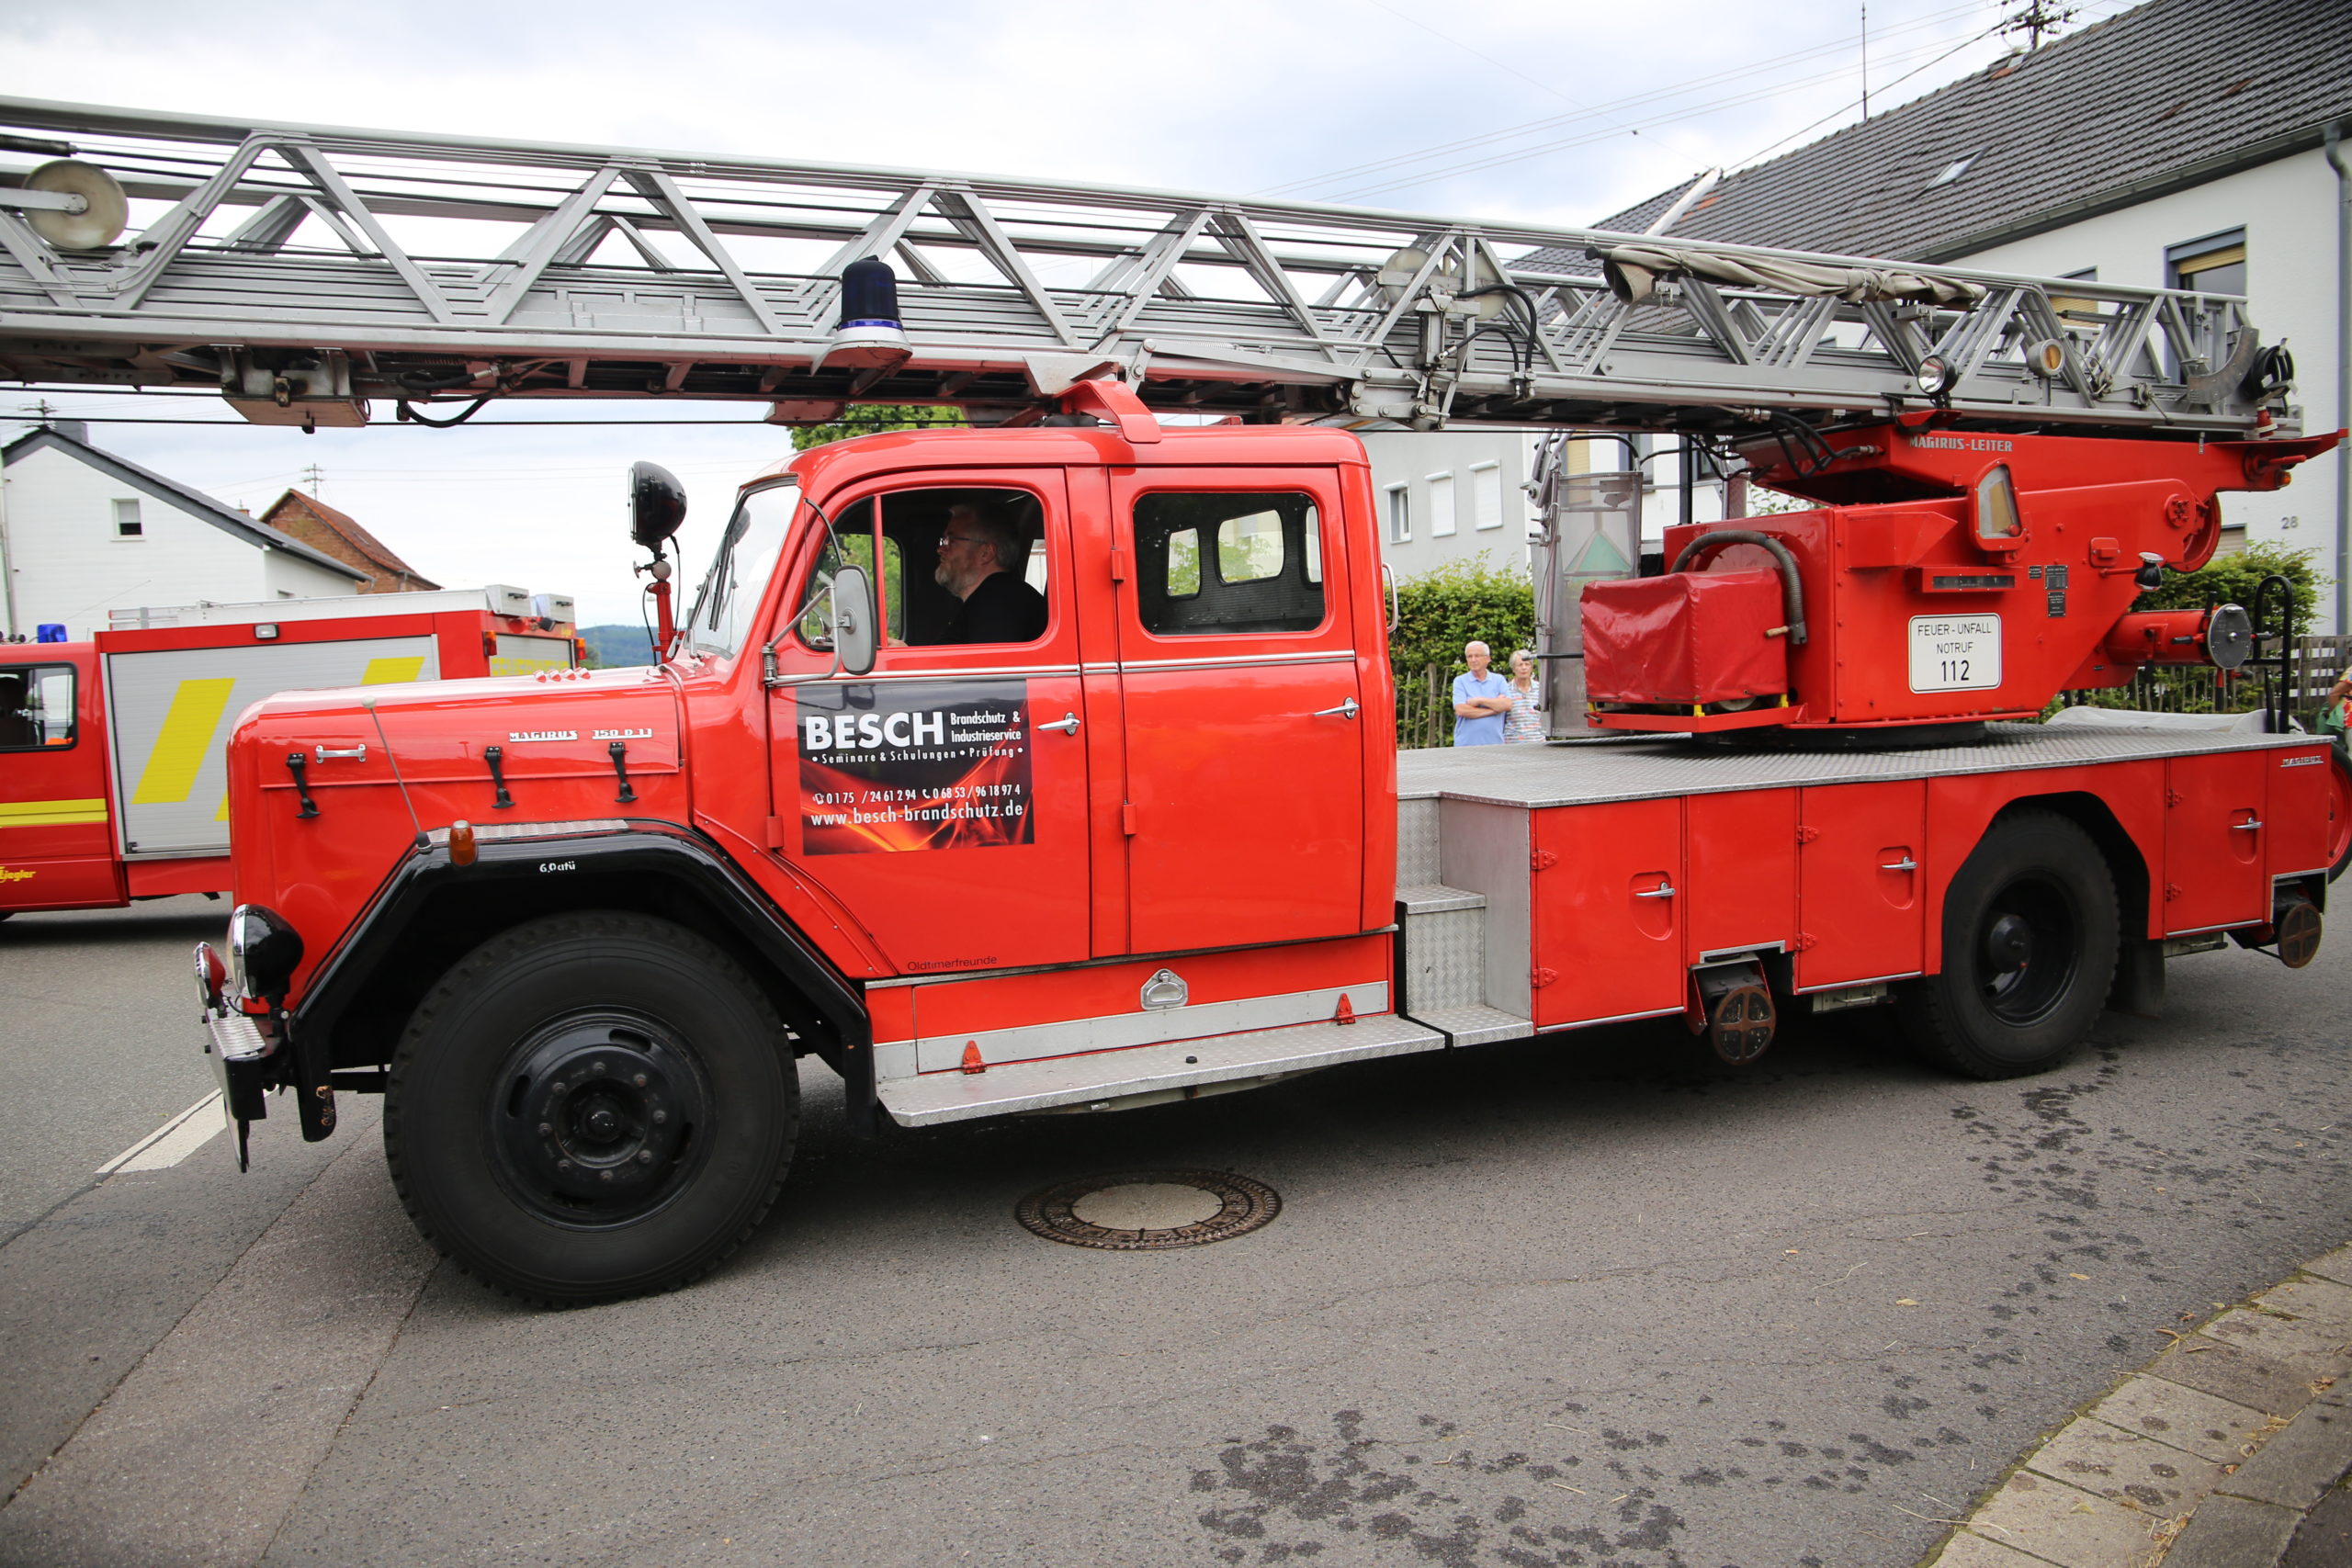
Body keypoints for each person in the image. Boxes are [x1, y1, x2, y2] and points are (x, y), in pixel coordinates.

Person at [936, 503, 1046, 644]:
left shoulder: (999, 603)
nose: (940, 549)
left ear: (986, 553)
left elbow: (990, 657)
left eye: (951, 541)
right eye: (943, 540)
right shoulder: (988, 599)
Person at [1451, 640, 1513, 747]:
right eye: (1469, 656)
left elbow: (1507, 705)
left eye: (1477, 656)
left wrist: (1480, 700)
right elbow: (1461, 710)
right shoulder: (1460, 681)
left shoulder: (1499, 680)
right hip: (1466, 745)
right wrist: (1495, 709)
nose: (1473, 660)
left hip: (1495, 744)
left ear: (1487, 659)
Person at [1502, 648, 1544, 744]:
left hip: (1538, 742)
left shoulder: (1541, 689)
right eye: (1520, 665)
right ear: (1513, 668)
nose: (1524, 668)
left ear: (1531, 667)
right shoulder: (1505, 690)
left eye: (1527, 664)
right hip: (1512, 744)